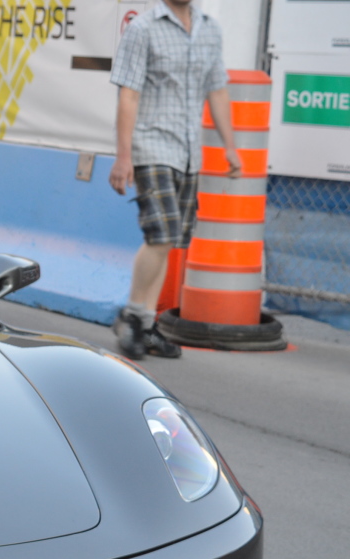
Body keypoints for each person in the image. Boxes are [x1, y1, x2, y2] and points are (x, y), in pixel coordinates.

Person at [108, 0, 241, 360]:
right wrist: (124, 156)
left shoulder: (209, 29)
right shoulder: (143, 29)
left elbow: (217, 89)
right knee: (161, 234)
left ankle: (145, 325)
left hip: (187, 152)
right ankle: (133, 317)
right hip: (151, 146)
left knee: (169, 241)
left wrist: (230, 145)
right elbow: (129, 94)